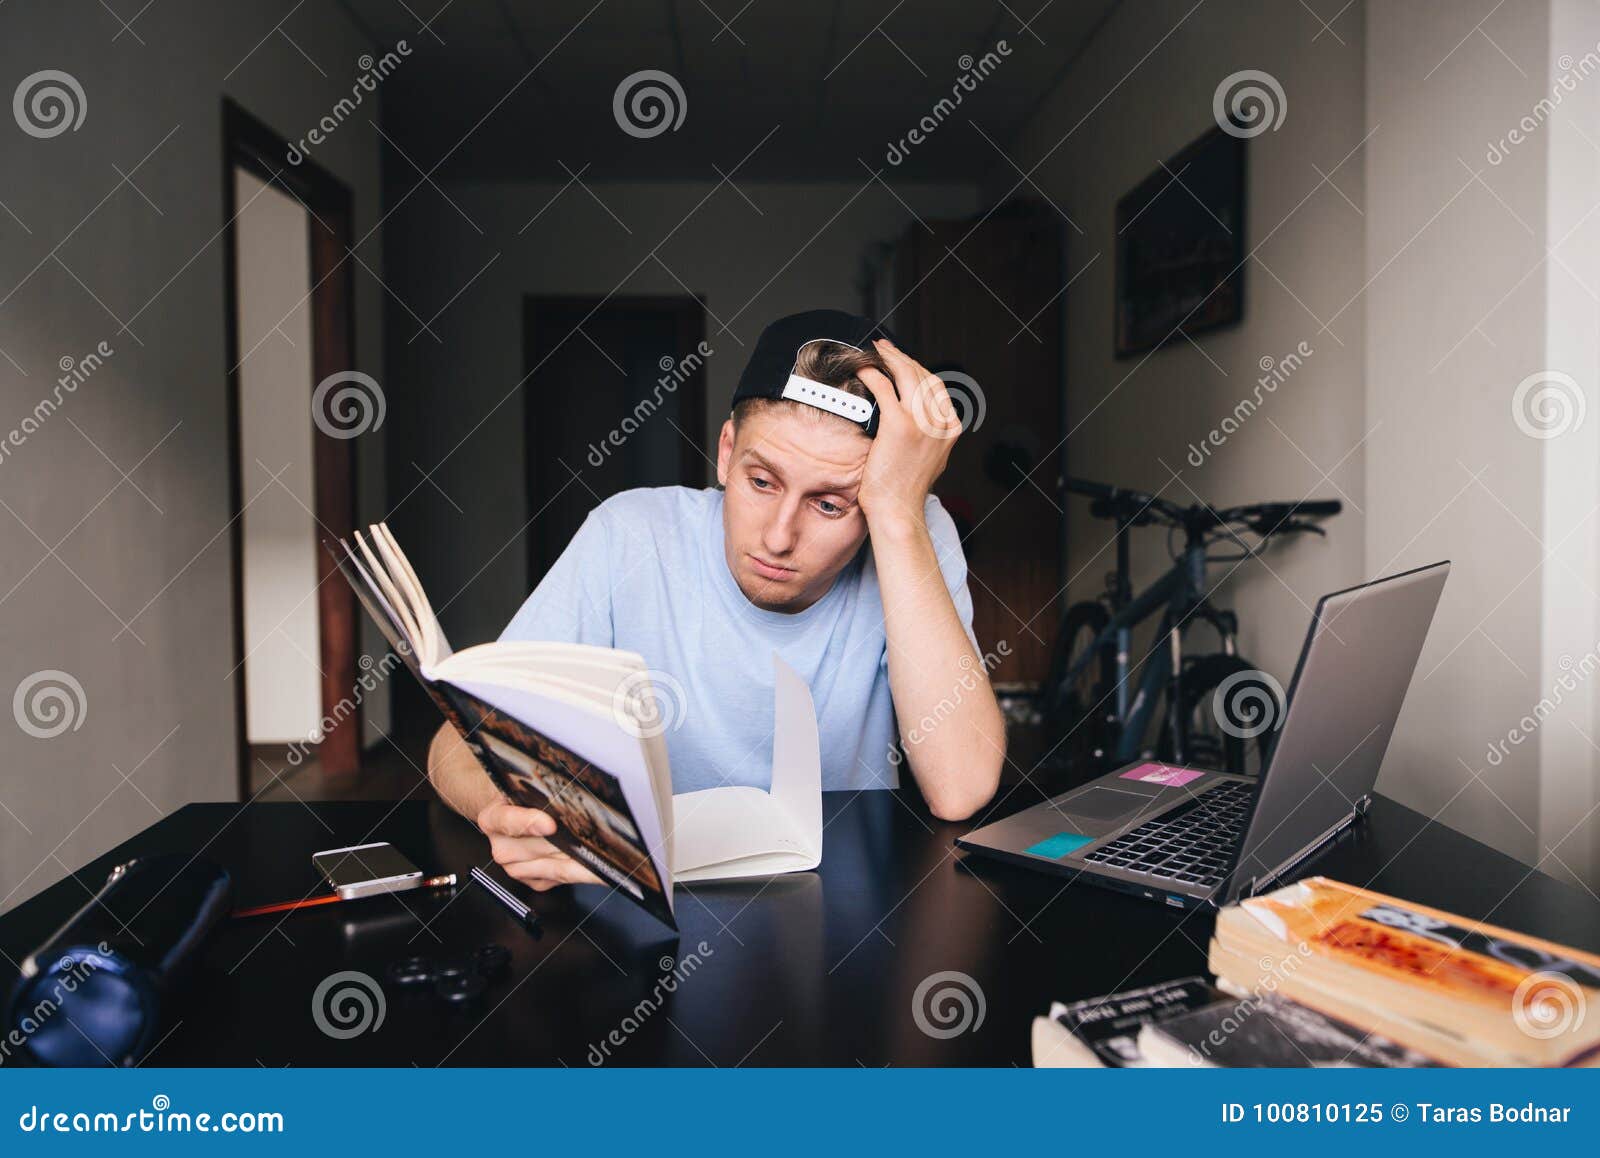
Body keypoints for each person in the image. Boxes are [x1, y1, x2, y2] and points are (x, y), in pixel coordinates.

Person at [427, 310, 1005, 891]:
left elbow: (960, 788)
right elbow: (457, 742)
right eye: (762, 482)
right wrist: (507, 814)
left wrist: (901, 515)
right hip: (647, 901)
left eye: (830, 504)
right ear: (727, 451)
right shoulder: (630, 534)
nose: (779, 537)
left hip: (837, 906)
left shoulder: (908, 533)